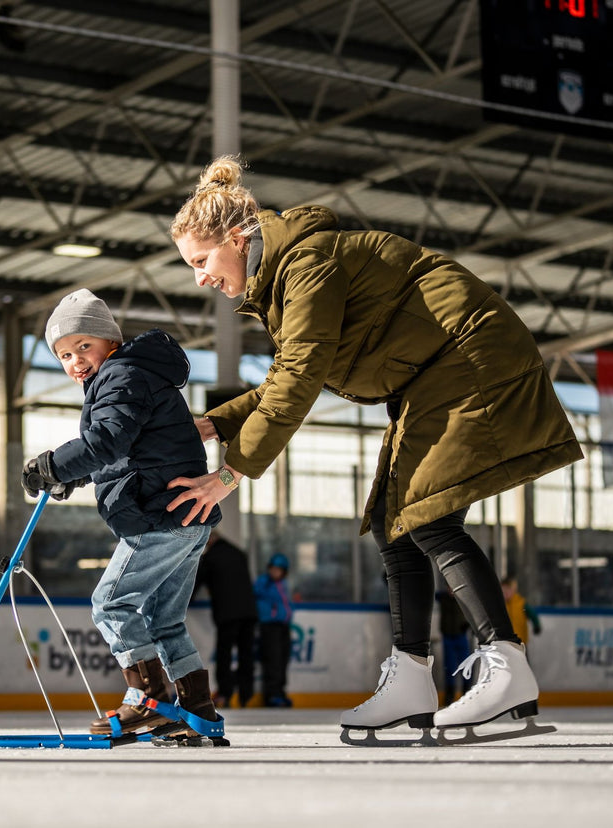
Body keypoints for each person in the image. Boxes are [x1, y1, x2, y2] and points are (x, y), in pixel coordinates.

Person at [164, 156, 583, 733]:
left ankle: (507, 665)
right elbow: (289, 373)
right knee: (394, 520)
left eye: (202, 261)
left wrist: (230, 474)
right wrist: (215, 423)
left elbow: (300, 377)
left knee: (428, 517)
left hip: (467, 356)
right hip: (433, 375)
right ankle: (412, 677)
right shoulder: (285, 275)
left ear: (237, 237)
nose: (200, 278)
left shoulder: (307, 263)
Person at [21, 288, 224, 743]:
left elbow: (109, 442)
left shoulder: (121, 376)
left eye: (83, 347)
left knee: (111, 603)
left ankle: (147, 700)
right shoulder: (133, 376)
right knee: (163, 620)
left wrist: (53, 465)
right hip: (184, 519)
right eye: (64, 355)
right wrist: (74, 476)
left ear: (109, 342)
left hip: (158, 518)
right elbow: (128, 454)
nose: (75, 361)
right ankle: (196, 711)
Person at [193, 533, 257, 708]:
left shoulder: (211, 557)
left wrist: (183, 602)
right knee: (246, 654)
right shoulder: (238, 552)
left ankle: (225, 693)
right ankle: (246, 694)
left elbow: (195, 583)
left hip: (227, 613)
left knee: (225, 654)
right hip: (249, 611)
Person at [253, 552, 294, 707]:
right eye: (274, 569)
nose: (276, 572)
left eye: (279, 570)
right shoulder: (263, 582)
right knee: (273, 661)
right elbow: (255, 597)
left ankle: (280, 692)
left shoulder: (283, 584)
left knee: (283, 660)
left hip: (283, 625)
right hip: (269, 626)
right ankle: (271, 694)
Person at [436, 585, 472, 707]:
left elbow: (473, 610)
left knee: (466, 666)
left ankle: (468, 694)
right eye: (449, 588)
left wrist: (469, 625)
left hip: (461, 637)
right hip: (448, 637)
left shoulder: (463, 597)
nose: (451, 590)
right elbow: (425, 591)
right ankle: (449, 697)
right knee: (450, 668)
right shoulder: (442, 597)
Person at [501, 576, 542, 649]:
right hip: (506, 642)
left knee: (523, 658)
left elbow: (532, 615)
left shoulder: (521, 603)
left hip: (520, 642)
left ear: (514, 590)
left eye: (508, 590)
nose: (506, 593)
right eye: (503, 591)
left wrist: (536, 625)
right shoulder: (501, 605)